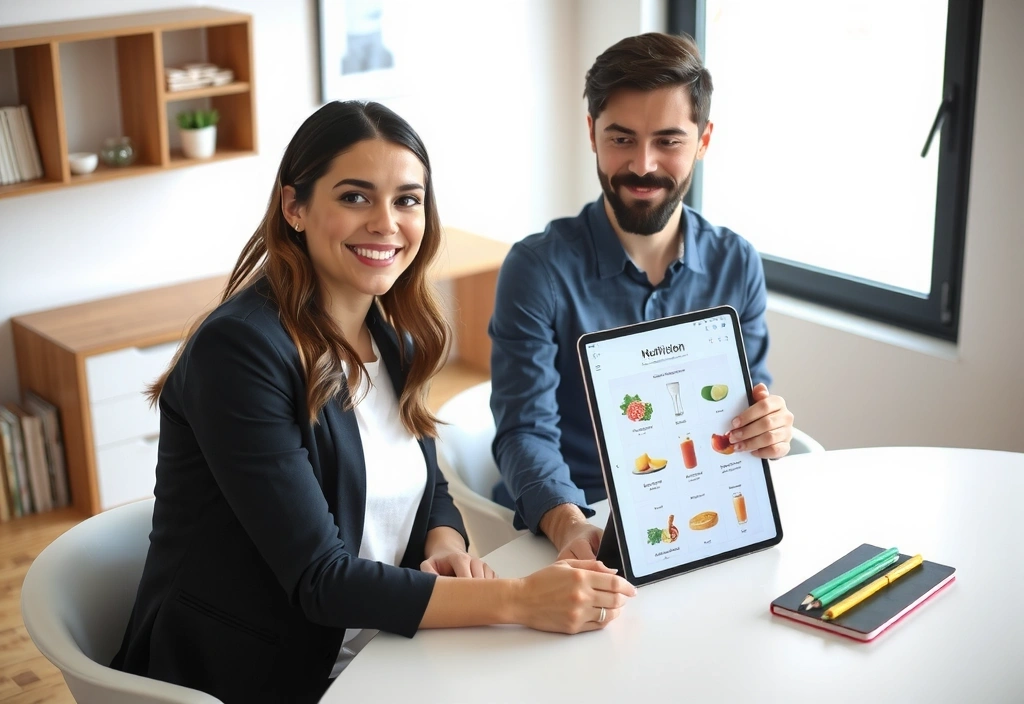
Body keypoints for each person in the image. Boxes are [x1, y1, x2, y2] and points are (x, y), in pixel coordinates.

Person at [111, 101, 635, 704]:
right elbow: (321, 580)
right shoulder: (239, 352)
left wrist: (445, 543)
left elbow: (428, 485)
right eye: (355, 197)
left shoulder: (393, 332)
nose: (386, 223)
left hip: (383, 651)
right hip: (258, 673)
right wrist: (517, 599)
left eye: (407, 200)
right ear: (295, 208)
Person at [489, 32, 795, 562]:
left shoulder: (737, 263)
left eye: (669, 141)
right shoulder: (536, 269)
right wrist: (570, 526)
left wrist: (766, 429)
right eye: (622, 138)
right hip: (576, 525)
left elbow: (742, 412)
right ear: (591, 133)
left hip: (703, 521)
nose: (643, 165)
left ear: (703, 140)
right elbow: (524, 433)